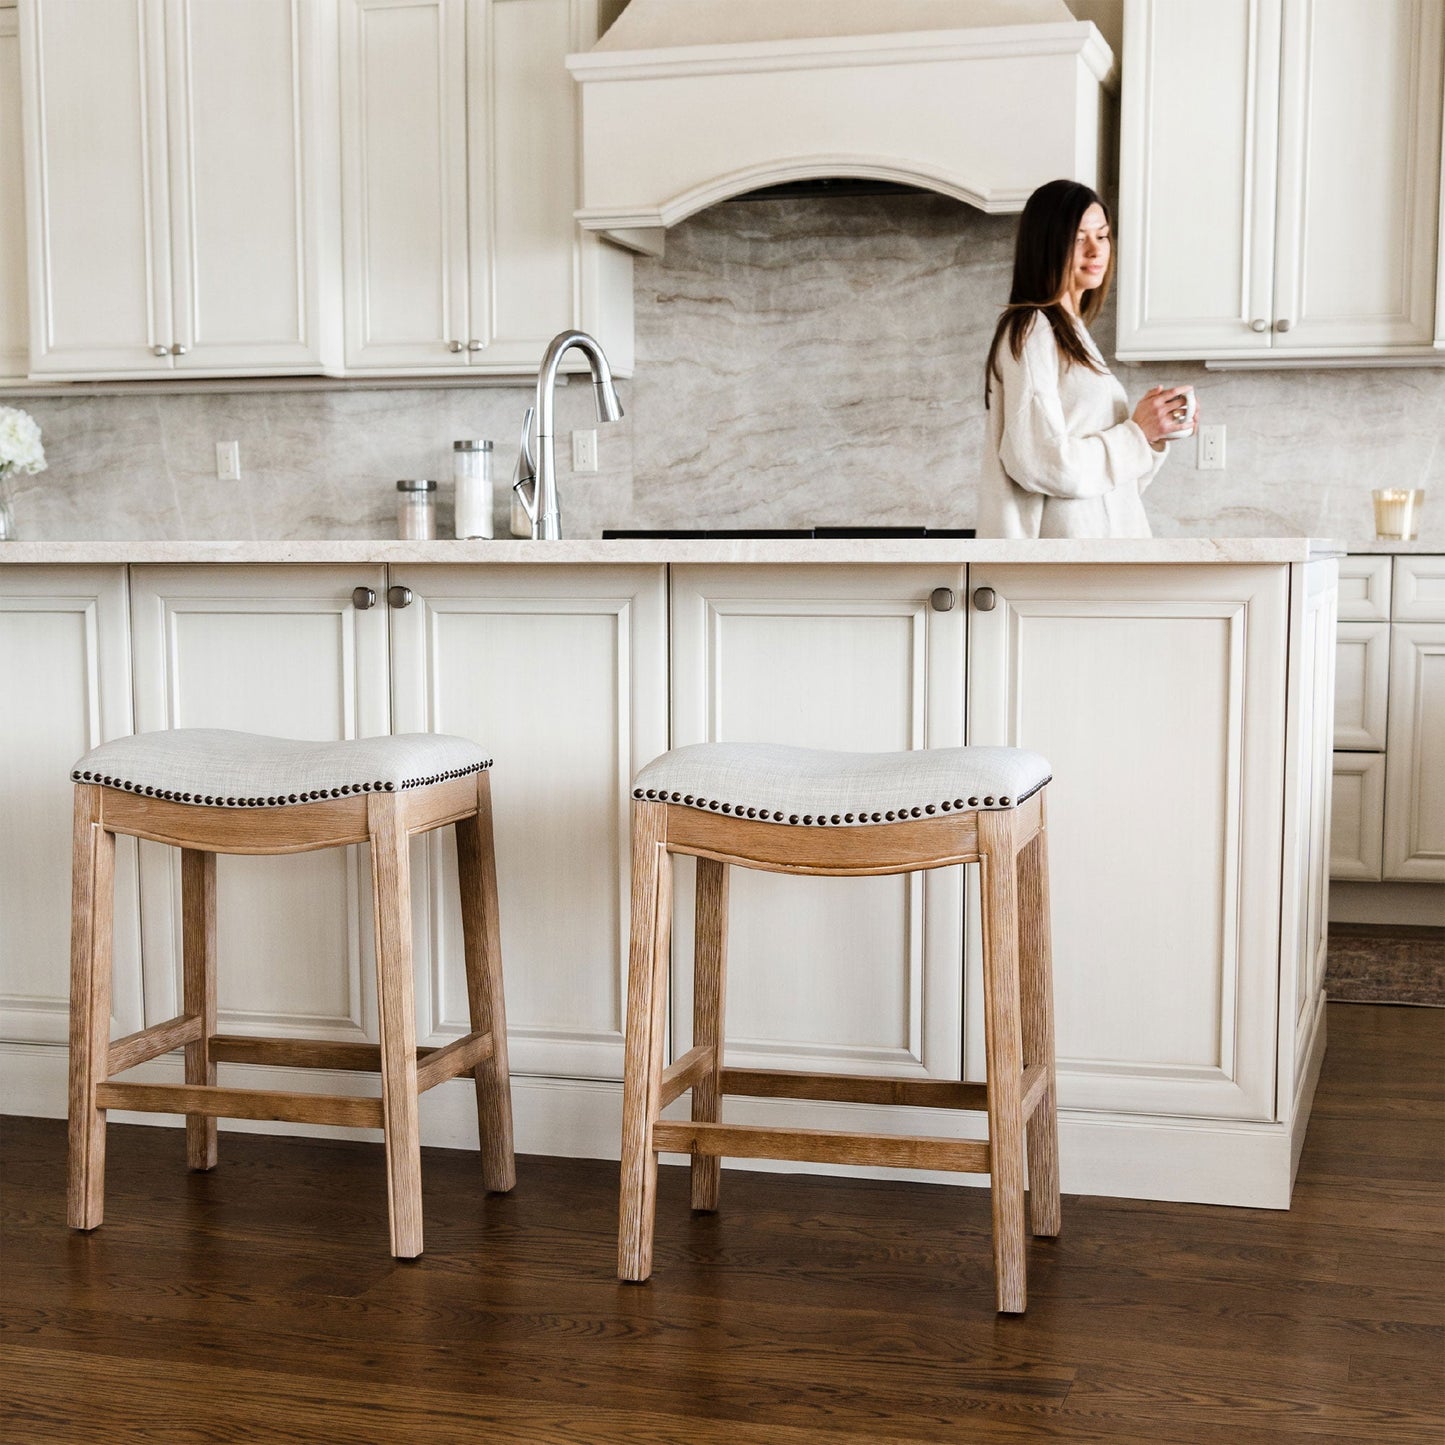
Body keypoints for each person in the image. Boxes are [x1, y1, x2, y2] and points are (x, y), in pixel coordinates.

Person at [978, 178, 1196, 538]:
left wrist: (1153, 436)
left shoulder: (1073, 333)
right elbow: (1039, 462)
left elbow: (1107, 488)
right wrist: (1136, 432)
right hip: (1066, 567)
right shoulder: (1032, 327)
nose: (1096, 251)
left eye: (1103, 235)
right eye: (1079, 239)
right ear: (1047, 247)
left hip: (1101, 559)